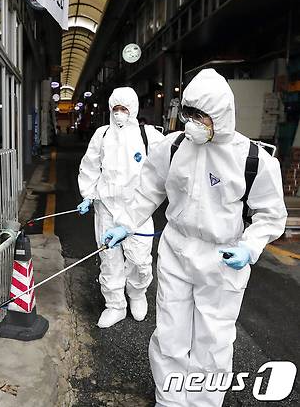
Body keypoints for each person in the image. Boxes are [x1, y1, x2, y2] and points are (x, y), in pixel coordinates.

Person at [102, 69, 287, 406]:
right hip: (175, 250)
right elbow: (147, 191)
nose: (193, 123)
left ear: (221, 116)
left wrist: (249, 247)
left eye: (202, 116)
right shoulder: (173, 147)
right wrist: (124, 222)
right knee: (170, 333)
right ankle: (170, 400)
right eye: (189, 113)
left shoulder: (253, 159)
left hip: (222, 259)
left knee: (213, 341)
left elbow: (271, 215)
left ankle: (204, 402)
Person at [77, 87, 164, 328]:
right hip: (107, 210)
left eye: (124, 109)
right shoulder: (102, 134)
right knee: (109, 259)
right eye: (115, 109)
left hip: (138, 212)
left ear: (133, 109)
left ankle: (136, 294)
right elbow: (90, 167)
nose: (119, 114)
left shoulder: (148, 136)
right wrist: (88, 195)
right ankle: (114, 305)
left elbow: (167, 167)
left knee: (140, 260)